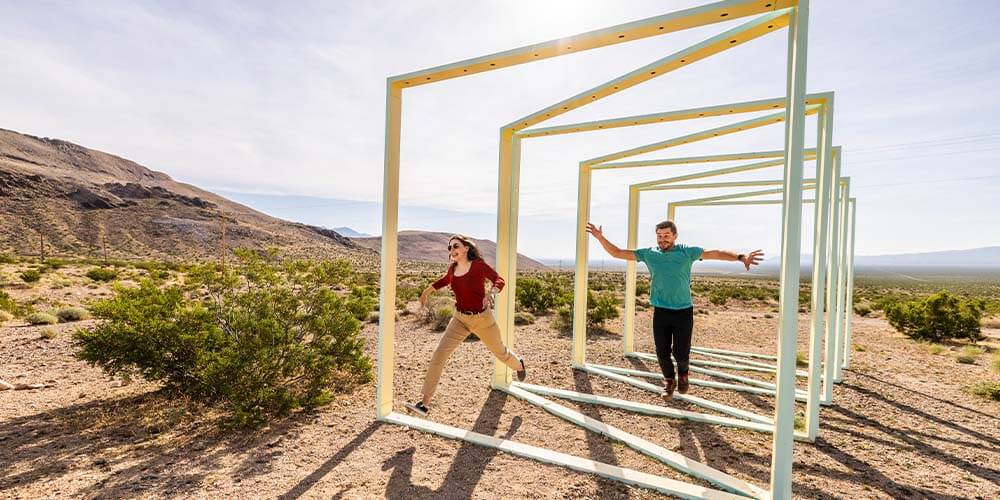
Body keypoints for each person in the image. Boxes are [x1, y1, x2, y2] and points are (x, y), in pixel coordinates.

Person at [586, 221, 763, 398]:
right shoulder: (649, 254)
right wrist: (601, 238)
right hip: (661, 311)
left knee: (681, 352)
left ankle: (684, 373)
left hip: (683, 311)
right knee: (661, 351)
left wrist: (741, 257)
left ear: (675, 236)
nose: (662, 240)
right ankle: (669, 381)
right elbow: (617, 252)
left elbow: (716, 253)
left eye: (666, 236)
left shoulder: (687, 252)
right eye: (659, 236)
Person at [405, 234, 527, 416]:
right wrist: (426, 291)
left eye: (455, 246)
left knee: (500, 352)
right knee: (439, 354)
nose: (452, 250)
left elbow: (498, 280)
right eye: (449, 248)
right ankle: (424, 404)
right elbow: (445, 281)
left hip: (482, 319)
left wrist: (491, 293)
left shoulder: (478, 266)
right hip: (460, 319)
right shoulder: (453, 269)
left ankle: (519, 365)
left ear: (466, 248)